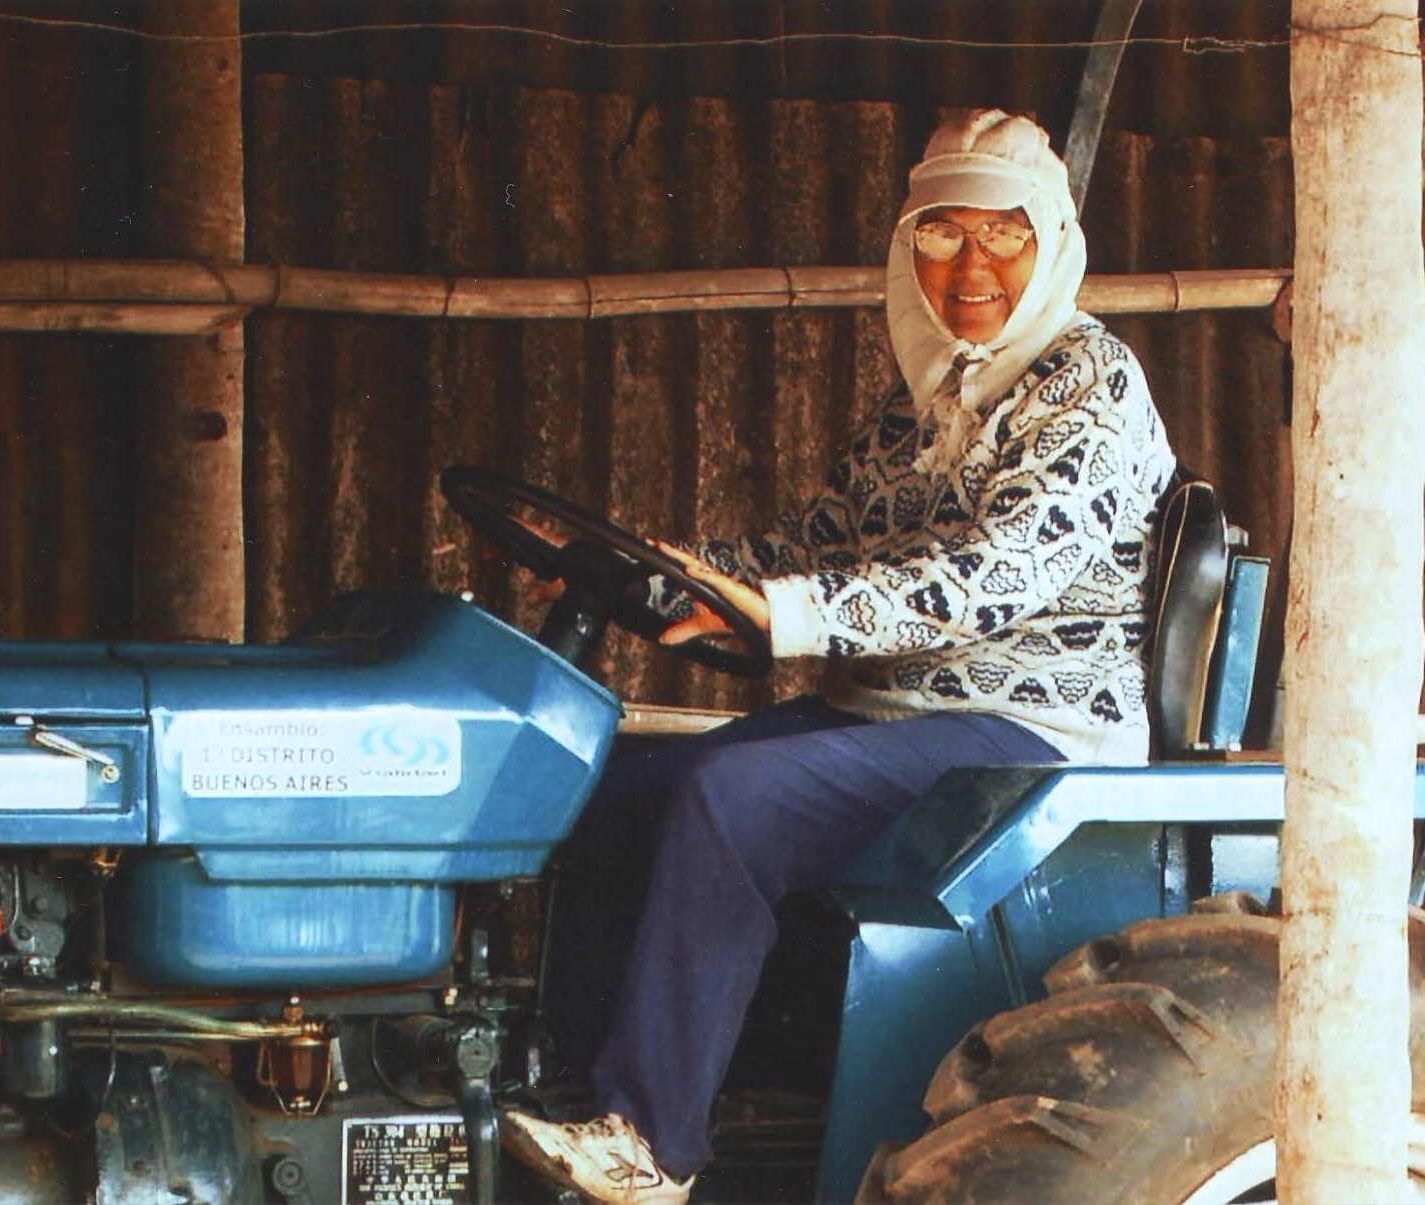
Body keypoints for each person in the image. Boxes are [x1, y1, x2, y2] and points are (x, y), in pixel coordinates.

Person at [502, 108, 1176, 1205]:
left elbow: (992, 573)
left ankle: (651, 1143)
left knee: (726, 795)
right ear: (906, 244)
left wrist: (785, 613)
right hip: (892, 708)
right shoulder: (921, 400)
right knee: (624, 785)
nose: (968, 265)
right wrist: (663, 568)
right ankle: (571, 1090)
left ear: (1051, 239)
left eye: (1000, 234)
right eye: (941, 231)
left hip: (1023, 719)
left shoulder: (1087, 384)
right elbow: (814, 549)